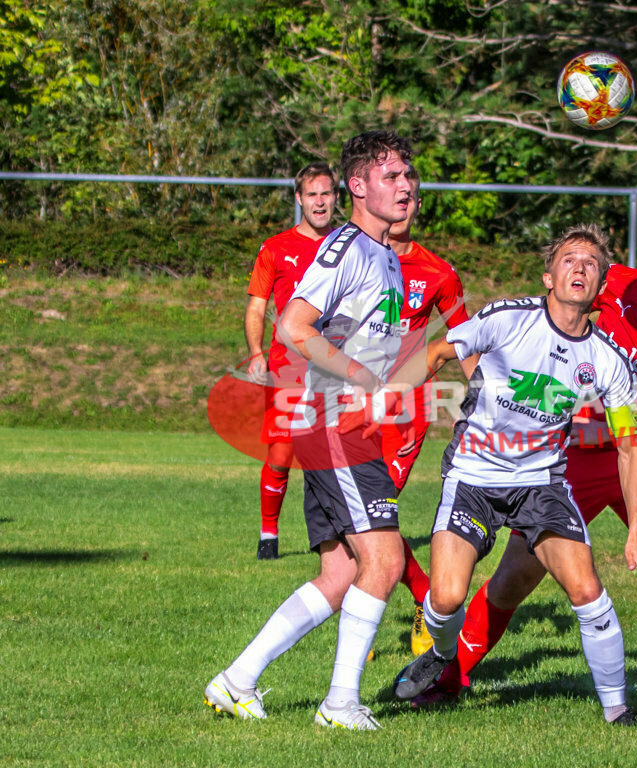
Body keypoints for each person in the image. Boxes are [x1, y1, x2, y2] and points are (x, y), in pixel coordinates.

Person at [411, 206, 637, 707]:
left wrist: (612, 432)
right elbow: (552, 313)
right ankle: (450, 676)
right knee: (512, 580)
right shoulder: (615, 283)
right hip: (566, 462)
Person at [390, 223, 637, 726]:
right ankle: (442, 654)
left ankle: (619, 710)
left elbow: (628, 445)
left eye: (591, 264)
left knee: (587, 591)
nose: (579, 267)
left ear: (600, 288)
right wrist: (385, 392)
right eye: (569, 260)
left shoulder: (608, 362)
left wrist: (636, 532)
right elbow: (441, 352)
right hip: (472, 477)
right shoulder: (509, 319)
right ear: (548, 277)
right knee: (445, 598)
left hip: (542, 485)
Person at [204, 130, 415, 731]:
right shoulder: (348, 247)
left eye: (407, 176)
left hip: (347, 424)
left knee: (341, 573)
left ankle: (236, 681)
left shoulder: (386, 254)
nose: (404, 186)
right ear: (357, 186)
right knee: (385, 559)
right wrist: (357, 378)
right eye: (390, 176)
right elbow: (295, 326)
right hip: (331, 421)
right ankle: (340, 705)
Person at [383, 166, 473, 655]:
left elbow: (465, 339)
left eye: (411, 195)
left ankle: (421, 601)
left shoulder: (437, 272)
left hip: (404, 407)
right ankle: (420, 594)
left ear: (417, 206)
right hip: (344, 404)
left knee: (370, 513)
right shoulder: (345, 258)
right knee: (349, 522)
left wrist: (483, 394)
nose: (403, 201)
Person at [244, 162, 339, 560]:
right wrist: (255, 353)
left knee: (336, 456)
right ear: (299, 199)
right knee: (282, 455)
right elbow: (256, 306)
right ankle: (269, 533)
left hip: (337, 368)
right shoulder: (276, 247)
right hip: (288, 369)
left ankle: (340, 536)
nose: (320, 202)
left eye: (327, 194)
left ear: (337, 198)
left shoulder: (351, 243)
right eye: (312, 195)